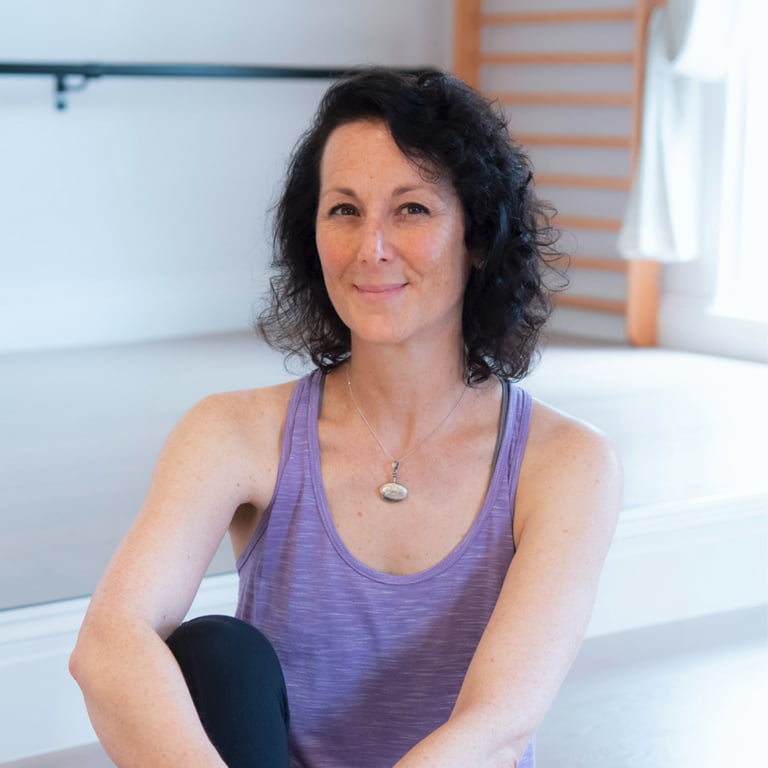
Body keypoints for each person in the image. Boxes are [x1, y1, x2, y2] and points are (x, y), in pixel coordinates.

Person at [70, 68, 622, 768]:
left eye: (412, 209)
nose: (372, 248)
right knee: (215, 654)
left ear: (477, 236)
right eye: (345, 210)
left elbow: (498, 725)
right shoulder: (233, 433)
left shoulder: (566, 462)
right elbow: (108, 642)